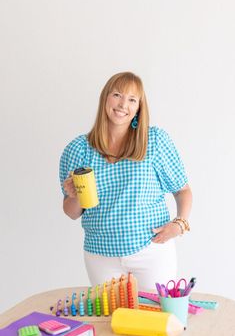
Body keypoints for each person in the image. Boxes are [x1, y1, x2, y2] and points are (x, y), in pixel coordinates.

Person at [59, 72, 192, 291]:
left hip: (151, 251)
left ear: (139, 107)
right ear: (105, 99)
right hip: (100, 255)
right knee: (110, 323)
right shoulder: (78, 149)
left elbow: (183, 191)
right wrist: (74, 196)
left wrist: (180, 224)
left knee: (155, 319)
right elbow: (72, 212)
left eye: (132, 99)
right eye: (117, 95)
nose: (123, 104)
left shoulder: (154, 141)